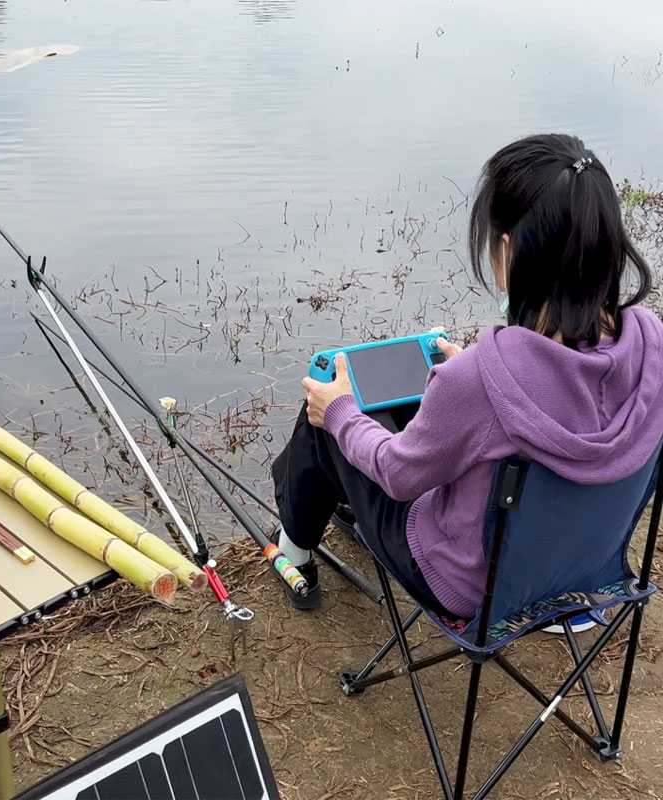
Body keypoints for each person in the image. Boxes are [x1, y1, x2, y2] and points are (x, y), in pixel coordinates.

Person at [271, 133, 663, 617]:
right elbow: (576, 399)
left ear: (508, 249)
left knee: (325, 416)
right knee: (385, 417)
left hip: (471, 586)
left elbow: (399, 475)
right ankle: (335, 502)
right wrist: (471, 376)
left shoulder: (477, 379)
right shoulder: (652, 343)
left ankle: (293, 549)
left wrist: (339, 413)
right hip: (589, 569)